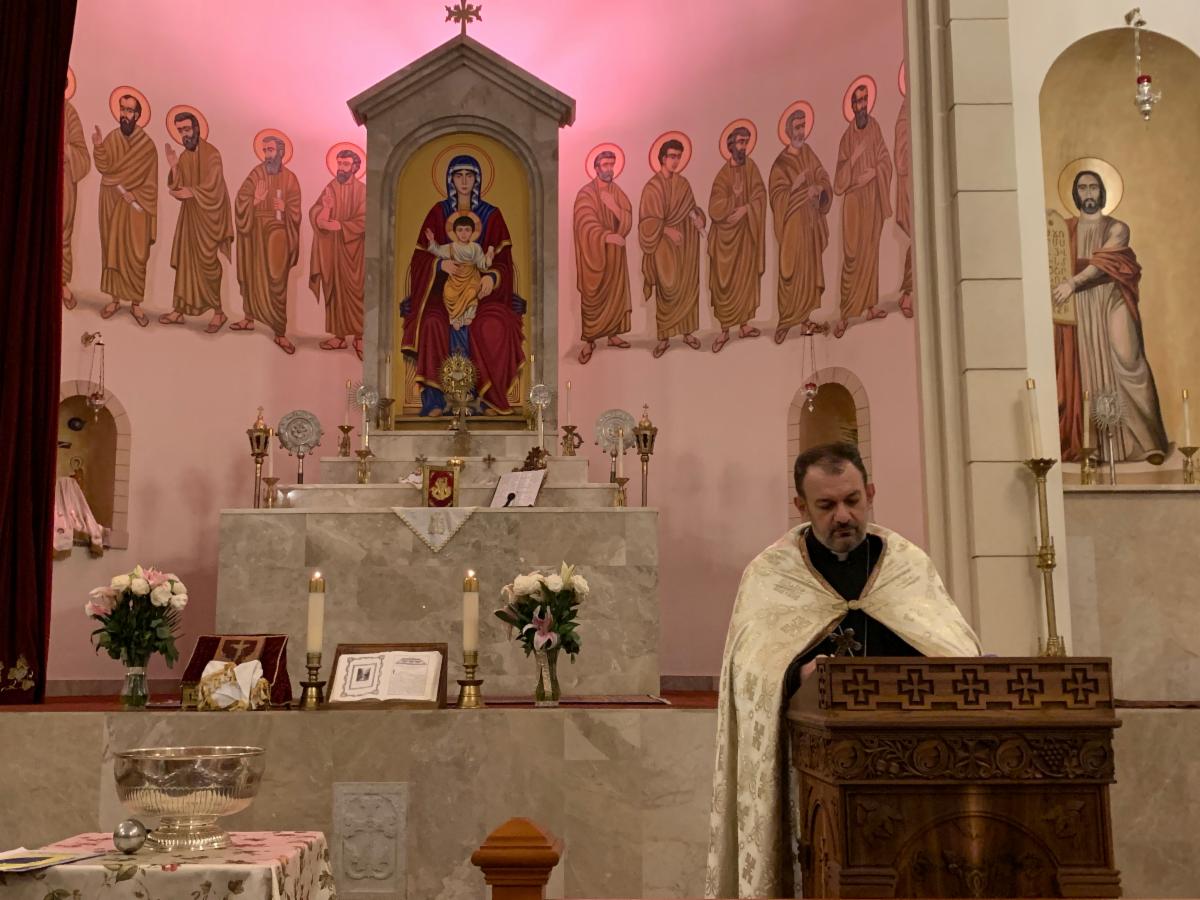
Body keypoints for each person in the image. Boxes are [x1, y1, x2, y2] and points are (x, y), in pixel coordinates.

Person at [706, 442, 980, 899]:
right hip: (810, 769)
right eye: (826, 505)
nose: (843, 516)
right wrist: (795, 674)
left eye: (853, 500)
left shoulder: (906, 566)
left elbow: (952, 648)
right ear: (801, 506)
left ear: (870, 493)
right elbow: (748, 671)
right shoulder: (772, 573)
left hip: (908, 765)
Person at [1053, 170, 1168, 463]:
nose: (1088, 193)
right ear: (1075, 194)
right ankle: (1093, 447)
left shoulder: (1117, 227)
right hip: (1078, 304)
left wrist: (1072, 283)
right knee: (1087, 365)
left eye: (1093, 187)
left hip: (1110, 297)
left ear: (1102, 192)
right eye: (1082, 188)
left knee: (1128, 359)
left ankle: (1147, 442)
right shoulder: (1065, 229)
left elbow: (1104, 262)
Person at [401, 154, 525, 416]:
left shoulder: (492, 215)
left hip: (483, 293)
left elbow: (503, 261)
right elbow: (420, 257)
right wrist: (439, 265)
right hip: (440, 293)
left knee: (495, 324)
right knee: (432, 322)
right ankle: (435, 400)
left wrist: (491, 277)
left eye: (470, 175)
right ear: (450, 180)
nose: (465, 181)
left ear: (478, 179)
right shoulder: (438, 213)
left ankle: (489, 398)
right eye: (459, 175)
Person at [160, 112, 233, 333]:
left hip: (210, 219)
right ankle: (179, 309)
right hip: (189, 218)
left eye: (187, 129)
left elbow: (214, 185)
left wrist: (191, 192)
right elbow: (177, 186)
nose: (184, 134)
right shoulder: (183, 157)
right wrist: (174, 166)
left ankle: (218, 312)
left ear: (197, 129)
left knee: (208, 265)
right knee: (185, 262)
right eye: (180, 131)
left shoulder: (212, 154)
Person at [832, 83, 893, 339]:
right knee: (853, 255)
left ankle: (870, 307)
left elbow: (886, 160)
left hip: (873, 199)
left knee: (870, 251)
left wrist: (875, 172)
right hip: (854, 203)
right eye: (858, 101)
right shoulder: (847, 139)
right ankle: (845, 314)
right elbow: (838, 184)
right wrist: (855, 159)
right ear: (852, 106)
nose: (863, 105)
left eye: (865, 99)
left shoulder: (875, 128)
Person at [232, 134, 302, 354]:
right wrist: (255, 200)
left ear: (281, 152)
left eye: (270, 150)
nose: (267, 155)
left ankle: (279, 332)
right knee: (251, 275)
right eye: (265, 150)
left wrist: (285, 208)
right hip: (254, 233)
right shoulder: (256, 173)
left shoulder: (290, 179)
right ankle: (249, 318)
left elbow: (296, 211)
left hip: (277, 235)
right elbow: (240, 200)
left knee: (276, 279)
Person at [93, 93, 158, 327]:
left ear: (138, 115)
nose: (124, 115)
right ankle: (115, 300)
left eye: (129, 111)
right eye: (122, 109)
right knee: (112, 249)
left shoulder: (148, 146)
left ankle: (136, 304)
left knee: (137, 254)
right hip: (112, 200)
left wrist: (136, 195)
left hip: (136, 209)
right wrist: (99, 147)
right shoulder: (112, 138)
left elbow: (152, 184)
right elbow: (104, 167)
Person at [639, 139, 706, 358]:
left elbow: (690, 208)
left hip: (685, 245)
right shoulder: (652, 187)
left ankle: (687, 333)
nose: (675, 161)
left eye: (678, 156)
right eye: (672, 156)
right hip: (664, 246)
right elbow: (647, 222)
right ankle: (664, 338)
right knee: (667, 288)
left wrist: (698, 217)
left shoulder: (683, 184)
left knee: (687, 286)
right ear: (662, 158)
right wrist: (667, 230)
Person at [768, 108, 831, 342]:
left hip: (810, 224)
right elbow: (776, 197)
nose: (801, 131)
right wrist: (795, 185)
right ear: (787, 131)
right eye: (797, 127)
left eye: (803, 126)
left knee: (809, 270)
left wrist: (819, 188)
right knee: (790, 271)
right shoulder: (780, 164)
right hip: (792, 228)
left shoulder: (808, 153)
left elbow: (822, 175)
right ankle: (785, 321)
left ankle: (805, 319)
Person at [709, 126, 766, 353]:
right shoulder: (722, 175)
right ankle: (724, 330)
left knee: (746, 279)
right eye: (740, 142)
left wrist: (747, 209)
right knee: (724, 283)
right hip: (725, 241)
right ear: (731, 145)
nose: (743, 147)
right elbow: (714, 208)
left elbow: (760, 196)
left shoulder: (752, 168)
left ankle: (744, 324)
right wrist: (734, 201)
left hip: (746, 237)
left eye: (746, 142)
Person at [573, 149, 633, 364]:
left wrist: (614, 207)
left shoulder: (617, 192)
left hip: (615, 256)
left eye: (611, 164)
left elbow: (627, 217)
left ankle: (612, 334)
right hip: (595, 255)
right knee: (594, 295)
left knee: (615, 293)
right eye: (605, 165)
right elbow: (584, 223)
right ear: (596, 168)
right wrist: (607, 236)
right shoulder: (586, 193)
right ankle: (590, 341)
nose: (609, 169)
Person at [310, 148, 367, 358]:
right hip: (333, 251)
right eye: (339, 163)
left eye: (345, 164)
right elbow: (316, 213)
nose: (341, 168)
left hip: (356, 252)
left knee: (357, 291)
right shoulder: (330, 187)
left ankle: (360, 337)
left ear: (355, 167)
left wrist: (341, 226)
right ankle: (339, 336)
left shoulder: (362, 191)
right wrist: (325, 210)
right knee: (334, 290)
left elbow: (365, 219)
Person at [424, 215, 495, 329]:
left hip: (471, 278)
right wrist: (432, 241)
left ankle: (467, 316)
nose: (463, 233)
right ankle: (455, 319)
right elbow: (437, 250)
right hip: (455, 278)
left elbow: (482, 264)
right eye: (460, 230)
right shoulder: (451, 247)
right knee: (448, 293)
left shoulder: (475, 248)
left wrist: (488, 259)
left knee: (471, 292)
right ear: (455, 232)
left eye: (467, 230)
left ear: (472, 232)